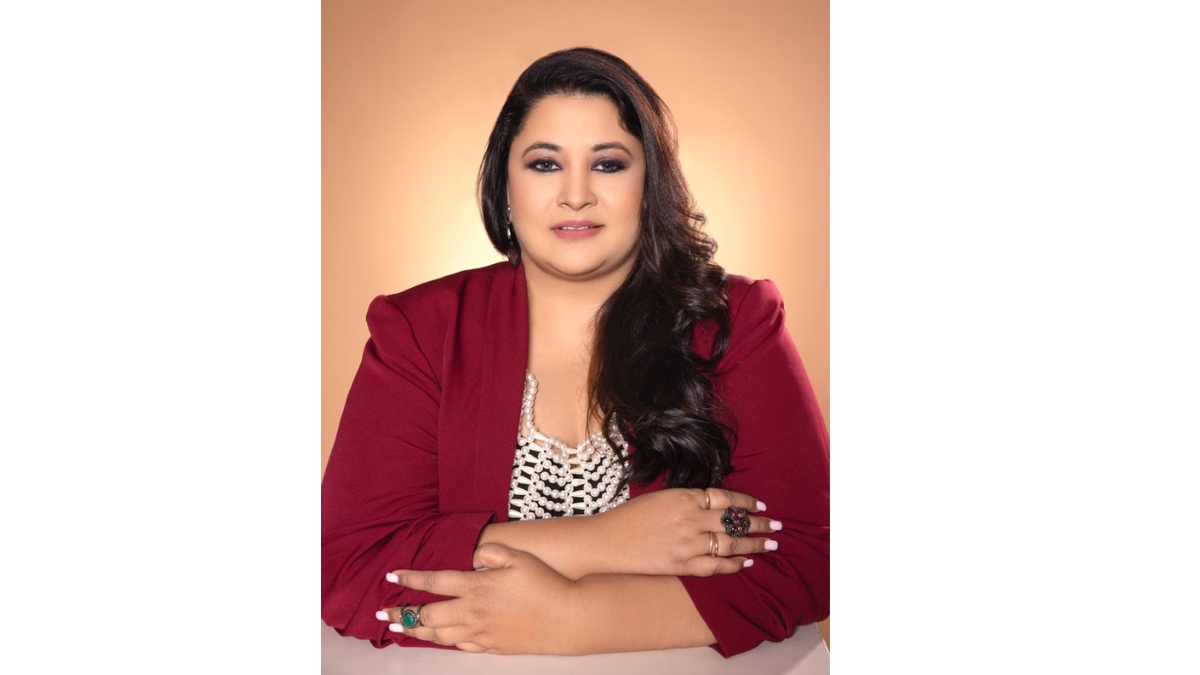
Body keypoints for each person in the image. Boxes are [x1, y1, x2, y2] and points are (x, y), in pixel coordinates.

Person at [321, 46, 829, 657]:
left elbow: (810, 552)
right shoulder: (420, 330)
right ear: (504, 187)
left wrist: (577, 618)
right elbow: (348, 566)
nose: (576, 195)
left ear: (650, 186)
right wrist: (605, 542)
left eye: (609, 164)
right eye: (545, 164)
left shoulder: (737, 321)